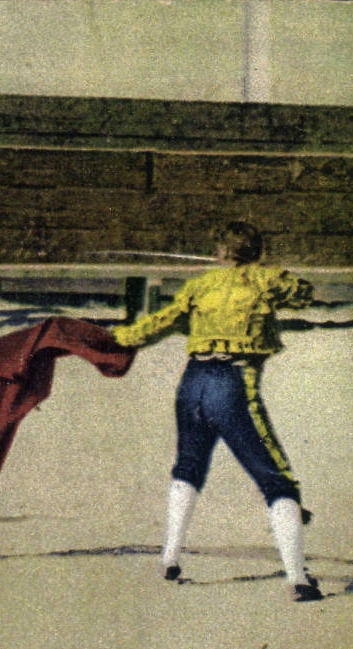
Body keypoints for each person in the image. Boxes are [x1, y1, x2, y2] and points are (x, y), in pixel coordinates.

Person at [110, 221, 322, 601]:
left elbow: (161, 323)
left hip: (192, 385)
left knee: (188, 466)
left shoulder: (201, 284)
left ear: (219, 253)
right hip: (234, 383)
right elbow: (303, 293)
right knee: (277, 480)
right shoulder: (264, 280)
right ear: (257, 251)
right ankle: (298, 580)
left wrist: (118, 339)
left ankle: (169, 560)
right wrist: (263, 274)